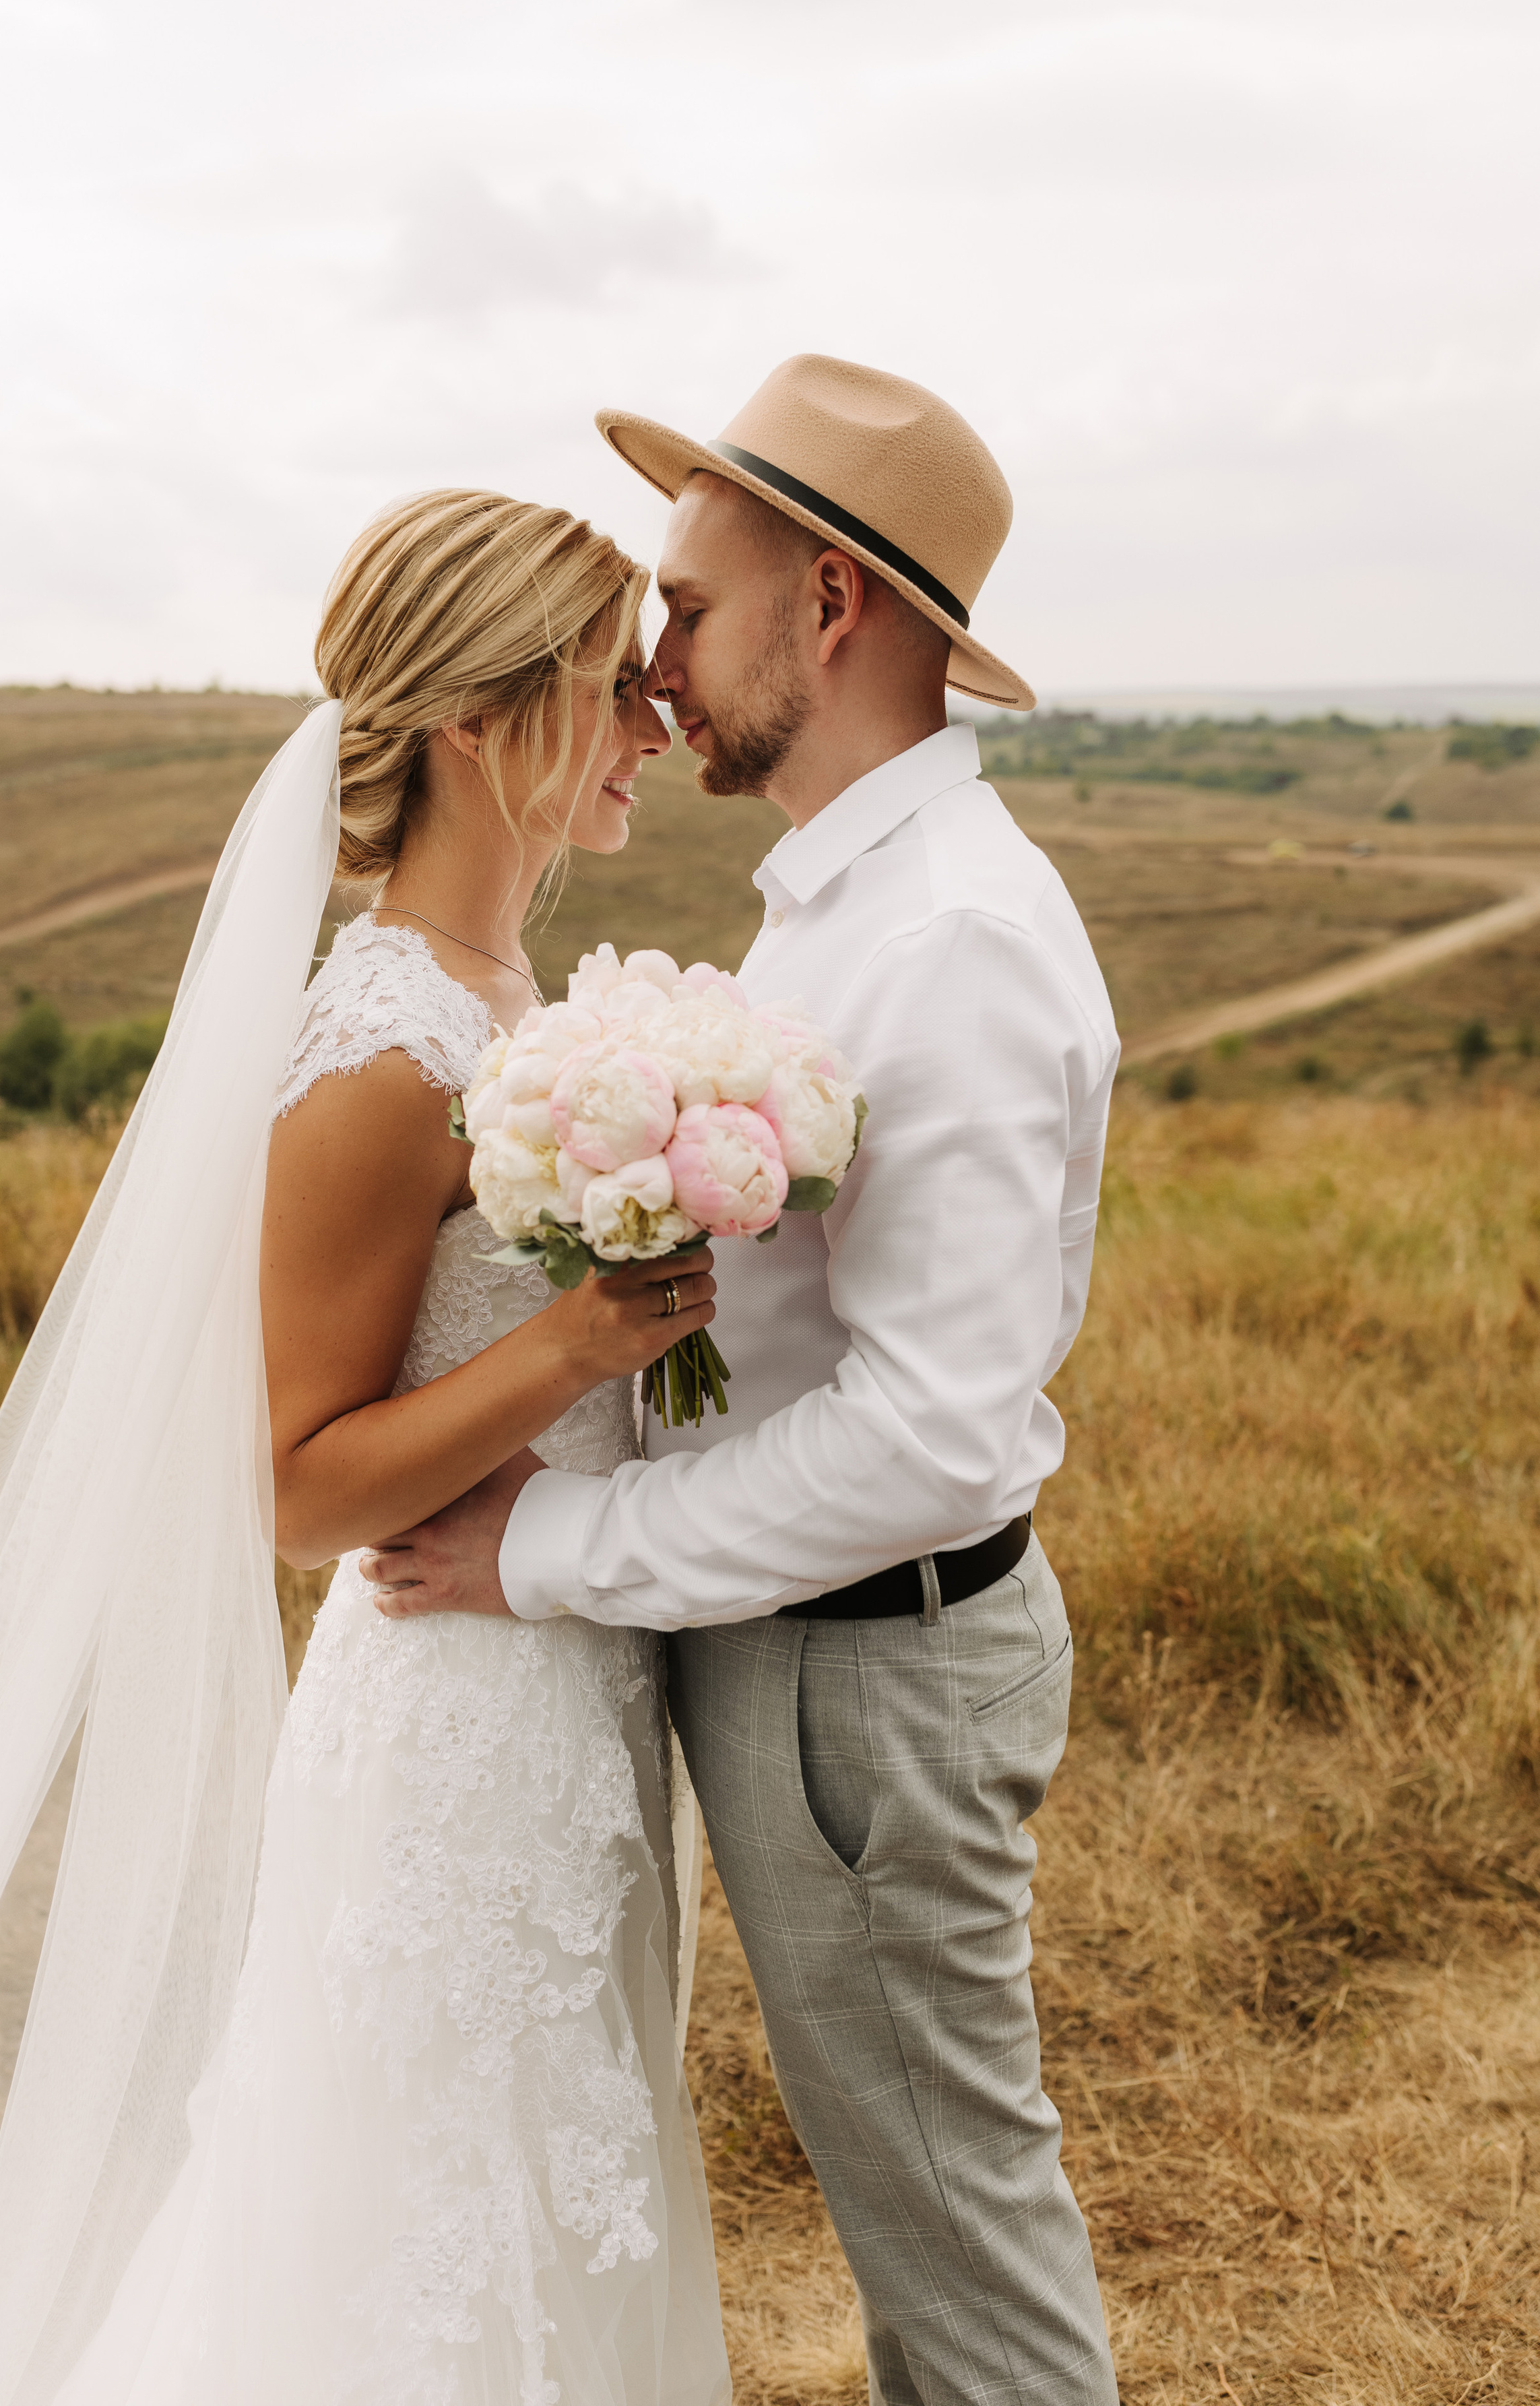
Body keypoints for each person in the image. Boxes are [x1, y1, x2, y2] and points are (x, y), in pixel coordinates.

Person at [0, 491, 732, 2406]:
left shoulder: (513, 1009)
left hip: (573, 1697)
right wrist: (577, 1334)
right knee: (407, 2238)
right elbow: (292, 1485)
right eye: (611, 685)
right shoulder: (381, 1051)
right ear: (484, 724)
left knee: (547, 2210)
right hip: (452, 1731)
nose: (655, 720)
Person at [364, 358, 1123, 2405]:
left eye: (689, 615)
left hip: (867, 1673)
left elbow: (933, 1428)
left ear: (838, 610)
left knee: (957, 2255)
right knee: (923, 2225)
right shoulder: (838, 911)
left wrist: (559, 1546)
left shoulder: (946, 938)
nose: (659, 670)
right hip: (796, 1658)